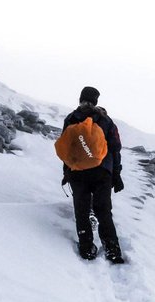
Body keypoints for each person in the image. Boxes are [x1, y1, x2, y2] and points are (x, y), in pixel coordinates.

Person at [60, 86, 125, 263]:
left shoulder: (72, 118)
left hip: (78, 172)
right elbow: (115, 148)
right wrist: (116, 173)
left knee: (81, 211)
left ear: (80, 99)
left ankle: (86, 248)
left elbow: (66, 148)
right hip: (102, 171)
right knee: (103, 210)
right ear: (96, 101)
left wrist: (67, 171)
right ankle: (112, 250)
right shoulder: (106, 120)